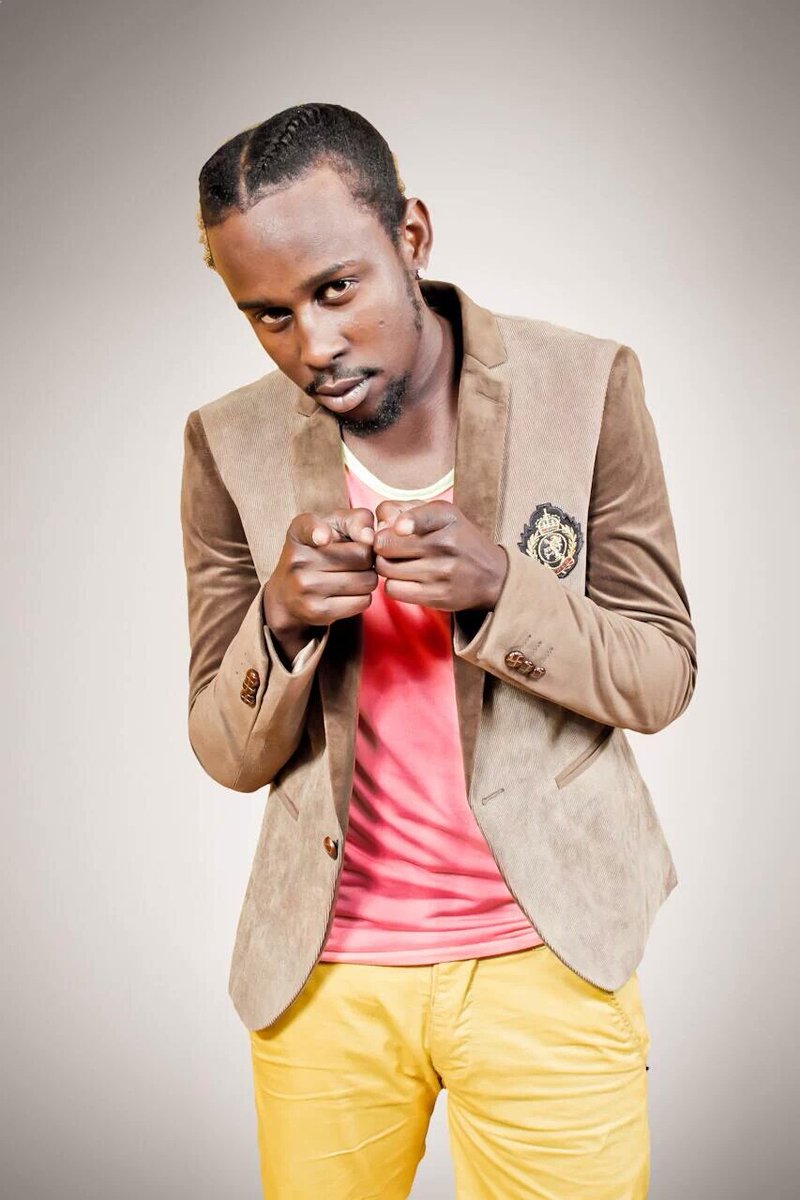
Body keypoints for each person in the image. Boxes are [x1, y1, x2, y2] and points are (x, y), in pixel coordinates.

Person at [181, 101, 697, 1199]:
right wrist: (280, 623)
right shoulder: (226, 443)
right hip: (323, 975)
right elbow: (224, 750)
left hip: (550, 951)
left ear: (409, 235)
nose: (312, 345)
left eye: (335, 289)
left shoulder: (584, 385)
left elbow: (660, 673)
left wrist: (504, 590)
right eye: (268, 315)